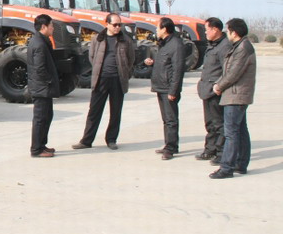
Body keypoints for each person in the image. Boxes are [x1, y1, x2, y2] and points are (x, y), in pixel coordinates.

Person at [72, 13, 135, 150]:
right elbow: (92, 57)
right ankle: (86, 141)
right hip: (101, 79)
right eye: (115, 25)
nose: (118, 27)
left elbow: (131, 59)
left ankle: (111, 139)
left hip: (118, 80)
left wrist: (124, 73)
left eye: (119, 25)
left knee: (115, 112)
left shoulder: (126, 40)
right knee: (94, 111)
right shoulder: (98, 39)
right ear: (107, 24)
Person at [209, 18, 256, 179]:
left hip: (236, 95)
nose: (226, 33)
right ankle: (240, 164)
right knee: (240, 130)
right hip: (236, 94)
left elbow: (233, 73)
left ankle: (226, 167)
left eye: (228, 30)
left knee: (231, 133)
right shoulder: (239, 46)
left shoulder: (243, 48)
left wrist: (219, 86)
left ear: (234, 32)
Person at [144, 17, 185, 160]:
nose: (156, 30)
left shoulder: (176, 44)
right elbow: (165, 63)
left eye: (158, 28)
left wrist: (173, 90)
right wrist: (152, 62)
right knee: (166, 119)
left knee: (171, 119)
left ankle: (171, 148)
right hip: (161, 86)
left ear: (165, 29)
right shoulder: (164, 43)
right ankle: (169, 144)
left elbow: (178, 69)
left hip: (168, 88)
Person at [195, 17, 231, 162]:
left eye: (207, 30)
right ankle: (210, 149)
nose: (205, 33)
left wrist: (219, 86)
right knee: (210, 123)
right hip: (207, 90)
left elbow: (227, 70)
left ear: (215, 29)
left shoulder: (224, 46)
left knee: (219, 124)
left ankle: (221, 153)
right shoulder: (213, 45)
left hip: (216, 91)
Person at [27, 14, 59, 158]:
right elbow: (39, 68)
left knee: (47, 116)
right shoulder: (39, 44)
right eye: (51, 25)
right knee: (40, 119)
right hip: (41, 88)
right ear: (44, 26)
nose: (53, 28)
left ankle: (42, 145)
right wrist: (49, 80)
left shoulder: (41, 41)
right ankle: (36, 149)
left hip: (43, 87)